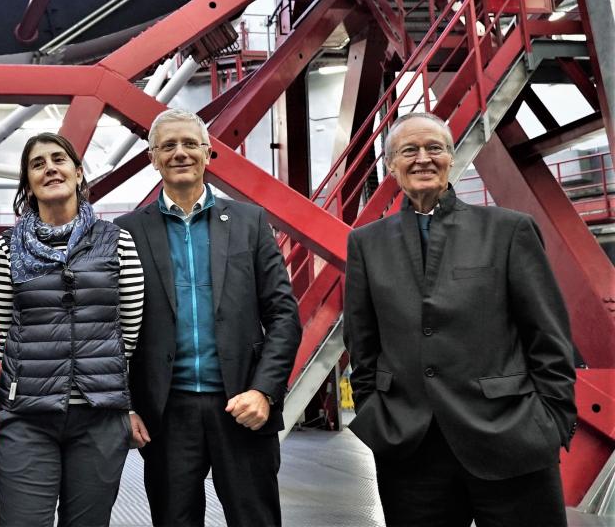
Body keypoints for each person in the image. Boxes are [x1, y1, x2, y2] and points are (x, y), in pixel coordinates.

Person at [344, 111, 576, 527]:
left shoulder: (508, 231)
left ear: (452, 158)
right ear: (392, 165)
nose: (423, 158)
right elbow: (362, 344)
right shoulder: (366, 244)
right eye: (409, 150)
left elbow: (547, 334)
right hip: (411, 448)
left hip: (511, 437)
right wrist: (374, 411)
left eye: (435, 148)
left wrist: (553, 419)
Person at [115, 107, 301, 527]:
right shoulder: (126, 231)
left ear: (208, 153)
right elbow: (111, 327)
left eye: (189, 144)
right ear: (153, 157)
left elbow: (284, 316)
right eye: (168, 145)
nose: (179, 153)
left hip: (242, 407)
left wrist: (264, 392)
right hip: (166, 414)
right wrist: (123, 406)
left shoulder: (251, 223)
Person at [0, 133, 144, 527]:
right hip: (27, 415)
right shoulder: (7, 248)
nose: (49, 168)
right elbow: (5, 333)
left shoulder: (118, 241)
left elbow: (128, 328)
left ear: (77, 173)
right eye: (37, 164)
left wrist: (95, 376)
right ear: (28, 184)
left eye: (58, 159)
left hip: (99, 416)